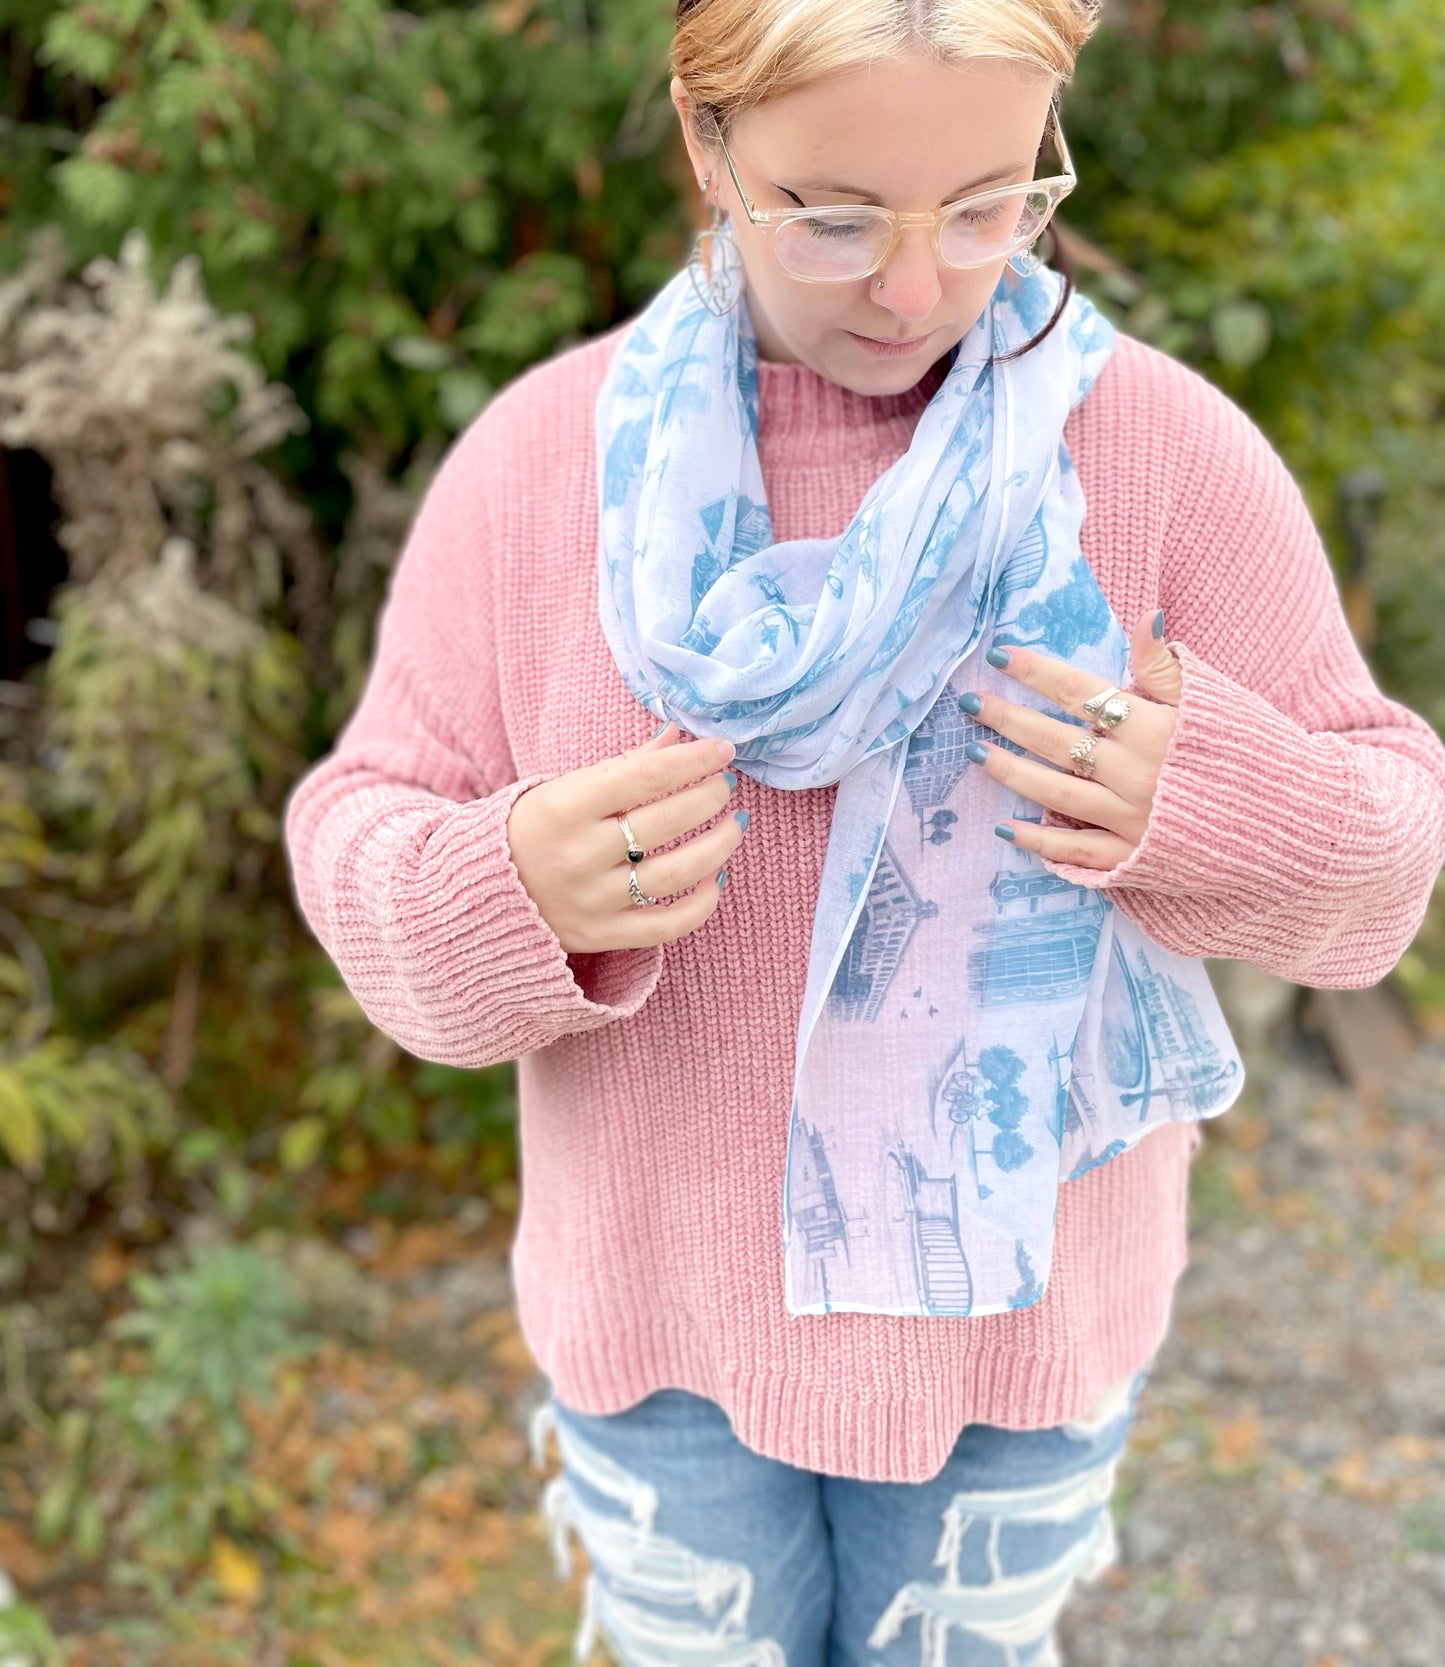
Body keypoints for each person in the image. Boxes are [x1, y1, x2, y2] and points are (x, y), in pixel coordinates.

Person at [282, 0, 1445, 1660]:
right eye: (831, 216)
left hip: (1013, 1354)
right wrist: (501, 888)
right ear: (706, 144)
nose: (914, 288)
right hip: (662, 1341)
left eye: (987, 207)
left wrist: (1206, 800)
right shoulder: (545, 467)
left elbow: (1392, 850)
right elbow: (356, 824)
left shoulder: (1159, 452)